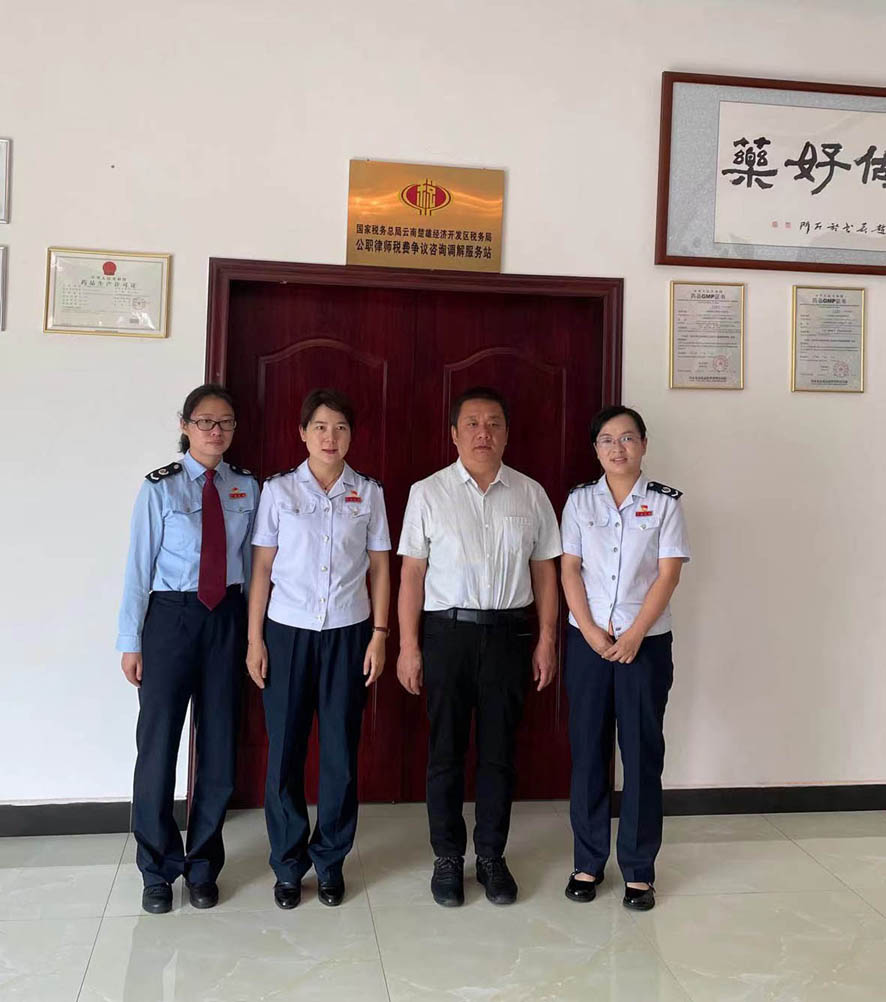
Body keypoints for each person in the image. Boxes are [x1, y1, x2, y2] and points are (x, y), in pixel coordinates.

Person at [396, 386, 561, 907]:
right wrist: (408, 646)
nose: (482, 432)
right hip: (446, 634)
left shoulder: (531, 494)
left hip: (510, 635)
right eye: (471, 423)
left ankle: (491, 855)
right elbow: (411, 575)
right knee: (445, 751)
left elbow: (545, 571)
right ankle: (447, 856)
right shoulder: (428, 492)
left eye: (493, 423)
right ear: (454, 433)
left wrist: (547, 638)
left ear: (507, 433)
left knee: (499, 753)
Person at [117, 383, 258, 914]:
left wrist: (254, 635)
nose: (215, 431)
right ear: (185, 425)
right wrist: (130, 641)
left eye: (225, 423)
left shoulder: (247, 487)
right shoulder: (160, 488)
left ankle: (202, 866)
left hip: (227, 619)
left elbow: (254, 565)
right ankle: (157, 870)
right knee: (158, 747)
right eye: (204, 422)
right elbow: (138, 567)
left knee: (219, 746)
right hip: (170, 620)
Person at [247, 388, 390, 909]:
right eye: (321, 427)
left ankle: (330, 861)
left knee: (340, 754)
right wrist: (255, 639)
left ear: (352, 436)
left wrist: (380, 634)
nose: (331, 438)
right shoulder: (279, 491)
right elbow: (262, 567)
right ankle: (288, 865)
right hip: (287, 633)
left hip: (349, 633)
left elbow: (380, 567)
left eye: (341, 428)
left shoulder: (368, 492)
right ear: (303, 433)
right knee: (284, 751)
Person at [560, 405, 690, 911]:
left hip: (646, 645)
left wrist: (635, 635)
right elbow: (569, 569)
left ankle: (639, 870)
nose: (618, 448)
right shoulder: (578, 502)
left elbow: (668, 574)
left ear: (644, 445)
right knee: (589, 753)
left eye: (628, 438)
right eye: (607, 440)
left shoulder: (664, 504)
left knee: (640, 755)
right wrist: (592, 633)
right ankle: (588, 861)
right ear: (595, 449)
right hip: (588, 643)